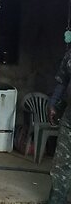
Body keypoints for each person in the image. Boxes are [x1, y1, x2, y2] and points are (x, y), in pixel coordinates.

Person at [48, 48, 71, 203]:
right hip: (69, 119)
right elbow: (62, 81)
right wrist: (53, 103)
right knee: (60, 166)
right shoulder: (70, 53)